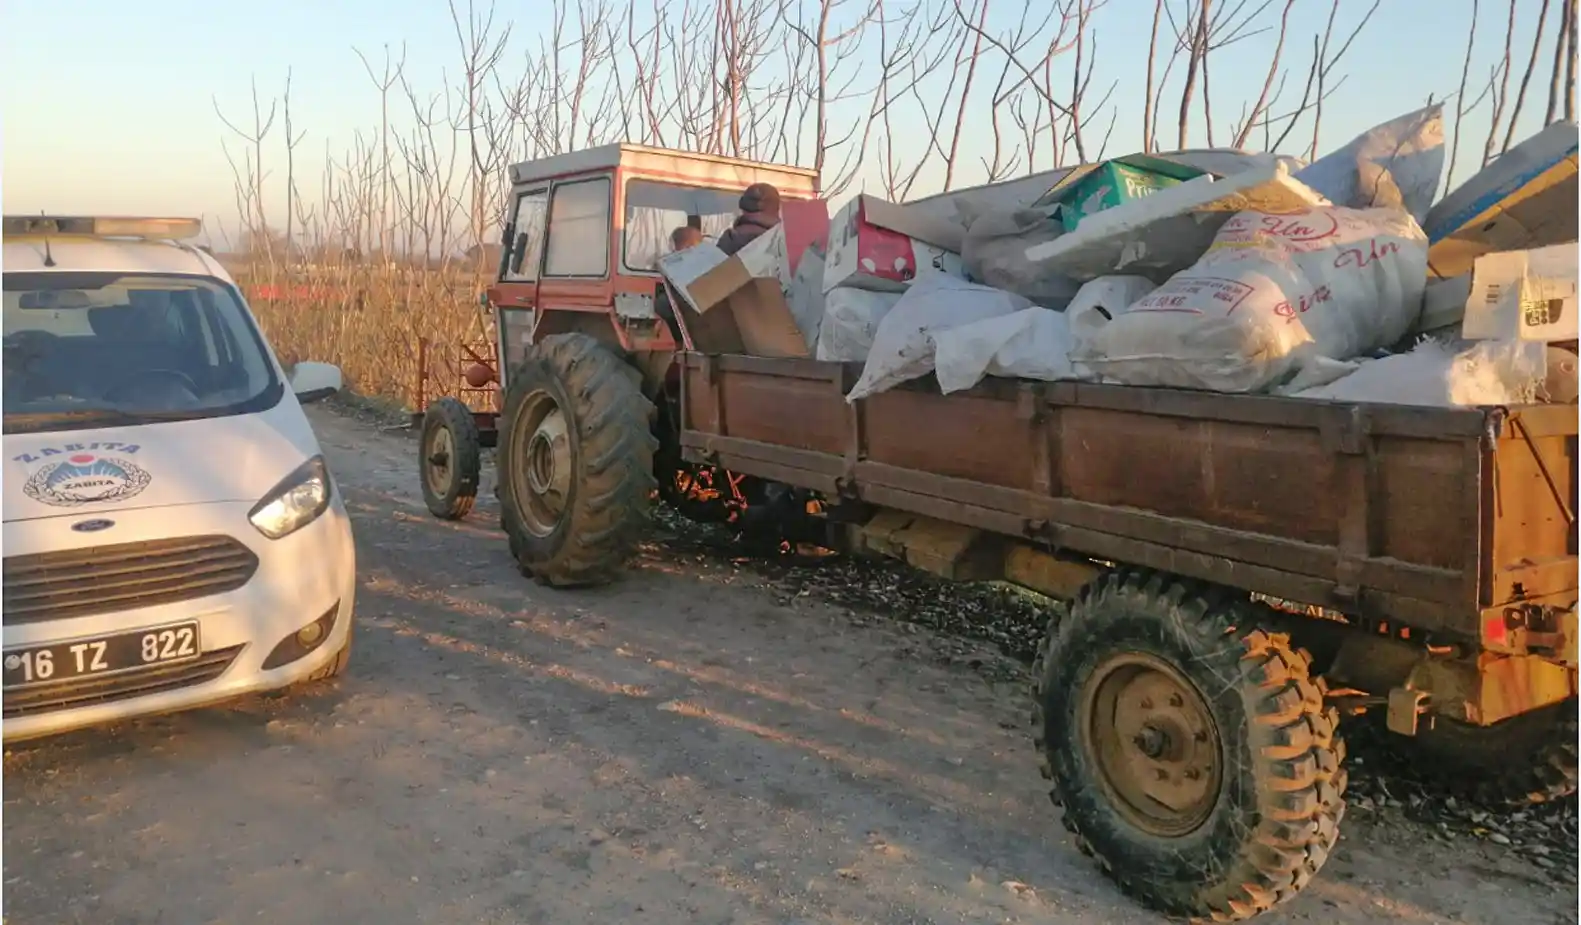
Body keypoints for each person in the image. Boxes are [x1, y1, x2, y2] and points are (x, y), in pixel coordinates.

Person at [715, 183, 781, 256]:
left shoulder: (731, 238)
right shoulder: (784, 243)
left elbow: (715, 265)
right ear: (776, 209)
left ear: (744, 207)